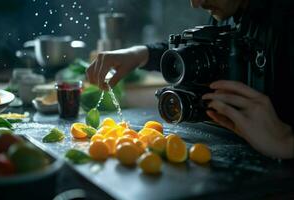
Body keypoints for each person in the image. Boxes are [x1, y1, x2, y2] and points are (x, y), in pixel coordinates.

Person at [87, 0, 294, 159]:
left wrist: (286, 142)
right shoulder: (227, 12)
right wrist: (139, 54)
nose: (195, 3)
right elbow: (196, 56)